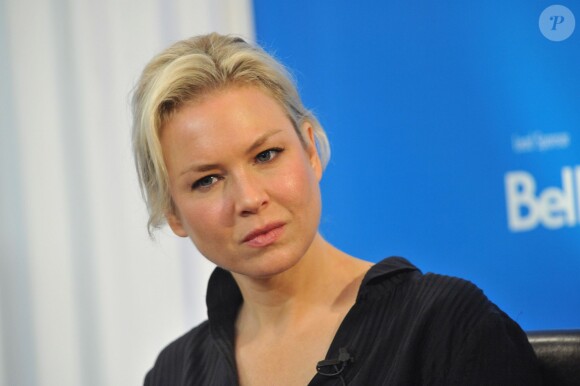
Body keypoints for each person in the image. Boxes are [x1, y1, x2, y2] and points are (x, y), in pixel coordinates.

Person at [132, 33, 542, 385]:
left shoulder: (444, 324)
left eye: (267, 155)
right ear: (172, 212)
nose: (249, 199)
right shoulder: (174, 373)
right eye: (207, 180)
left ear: (310, 149)